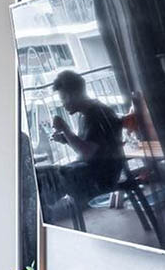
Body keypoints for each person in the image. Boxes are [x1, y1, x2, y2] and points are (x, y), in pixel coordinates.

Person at [49, 69, 126, 199]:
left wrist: (65, 129)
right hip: (97, 170)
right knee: (49, 174)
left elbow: (86, 153)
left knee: (49, 177)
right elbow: (86, 149)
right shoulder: (87, 113)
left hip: (103, 175)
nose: (62, 104)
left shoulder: (96, 114)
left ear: (75, 94)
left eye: (63, 98)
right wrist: (66, 139)